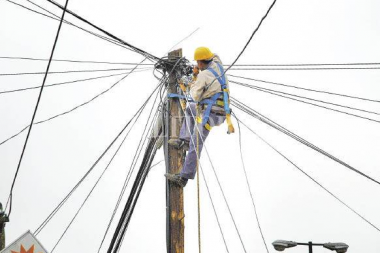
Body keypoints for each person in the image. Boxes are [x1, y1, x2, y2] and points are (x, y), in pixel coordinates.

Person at [165, 47, 232, 187]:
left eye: (198, 63)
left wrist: (194, 77)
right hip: (220, 110)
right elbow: (215, 54)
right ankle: (184, 140)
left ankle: (183, 177)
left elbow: (194, 96)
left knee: (196, 144)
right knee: (190, 109)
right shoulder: (217, 63)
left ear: (201, 63)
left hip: (211, 113)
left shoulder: (203, 75)